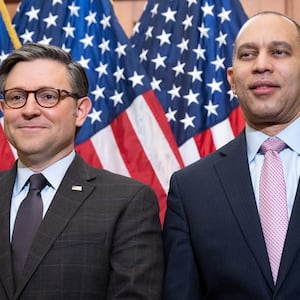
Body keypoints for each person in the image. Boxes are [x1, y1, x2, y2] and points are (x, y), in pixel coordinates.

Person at [0, 42, 164, 299]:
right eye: (16, 97)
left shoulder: (128, 202)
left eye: (48, 96)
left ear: (80, 111)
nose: (29, 110)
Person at [163, 11, 300, 299]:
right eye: (248, 54)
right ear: (232, 80)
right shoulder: (189, 189)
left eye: (279, 51)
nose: (261, 65)